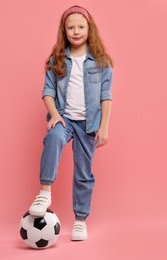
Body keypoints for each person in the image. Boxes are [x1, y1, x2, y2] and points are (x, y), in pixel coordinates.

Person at [28, 5, 113, 241]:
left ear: (89, 29)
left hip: (89, 124)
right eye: (71, 27)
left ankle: (80, 220)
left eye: (81, 27)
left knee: (84, 172)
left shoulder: (101, 62)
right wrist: (55, 115)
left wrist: (104, 126)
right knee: (53, 137)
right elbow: (47, 92)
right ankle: (45, 192)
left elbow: (106, 96)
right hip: (64, 117)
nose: (76, 31)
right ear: (64, 31)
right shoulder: (57, 59)